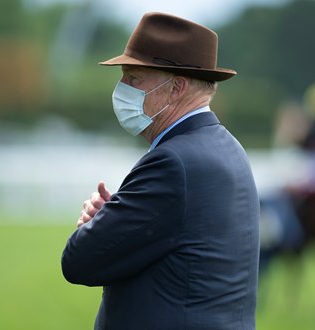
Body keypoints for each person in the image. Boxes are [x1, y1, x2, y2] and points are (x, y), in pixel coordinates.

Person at [61, 12, 260, 330]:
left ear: (177, 88)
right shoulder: (227, 148)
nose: (122, 87)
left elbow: (79, 261)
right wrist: (116, 220)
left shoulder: (173, 162)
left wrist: (97, 227)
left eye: (134, 77)